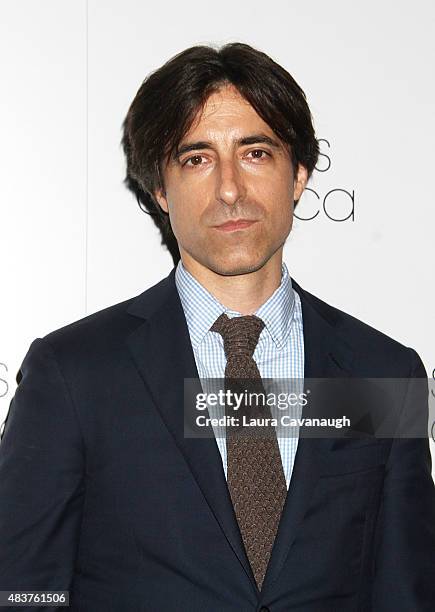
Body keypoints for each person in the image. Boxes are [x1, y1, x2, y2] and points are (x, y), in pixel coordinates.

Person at [0, 42, 434, 611]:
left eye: (255, 153)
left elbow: (407, 593)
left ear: (299, 175)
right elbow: (22, 592)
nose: (230, 189)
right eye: (196, 159)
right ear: (159, 189)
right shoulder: (76, 374)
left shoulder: (382, 372)